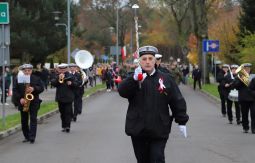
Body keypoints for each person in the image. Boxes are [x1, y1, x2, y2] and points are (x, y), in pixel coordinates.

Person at [118, 45, 189, 163]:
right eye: (144, 59)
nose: (147, 62)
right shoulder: (134, 77)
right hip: (138, 129)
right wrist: (134, 80)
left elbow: (177, 100)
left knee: (157, 158)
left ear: (155, 60)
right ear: (139, 61)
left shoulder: (166, 79)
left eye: (150, 58)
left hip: (159, 129)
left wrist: (182, 120)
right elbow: (122, 91)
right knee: (143, 160)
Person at [12, 64, 44, 143]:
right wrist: (20, 99)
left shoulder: (36, 78)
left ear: (31, 70)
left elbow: (41, 88)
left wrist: (34, 88)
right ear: (22, 71)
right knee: (24, 121)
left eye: (28, 70)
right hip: (23, 102)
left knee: (33, 119)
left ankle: (32, 137)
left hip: (34, 102)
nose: (27, 72)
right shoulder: (18, 79)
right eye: (25, 70)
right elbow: (15, 90)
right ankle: (27, 136)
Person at [50, 64, 75, 133]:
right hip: (60, 97)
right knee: (62, 113)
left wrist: (71, 83)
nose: (62, 70)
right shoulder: (56, 75)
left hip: (68, 97)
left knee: (68, 112)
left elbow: (76, 84)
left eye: (64, 69)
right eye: (61, 69)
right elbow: (53, 83)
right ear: (59, 69)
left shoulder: (70, 76)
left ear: (66, 69)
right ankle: (64, 126)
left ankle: (68, 126)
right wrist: (58, 79)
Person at [234, 63, 254, 133]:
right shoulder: (239, 77)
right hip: (243, 98)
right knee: (244, 114)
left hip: (253, 98)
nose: (247, 70)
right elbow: (236, 86)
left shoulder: (253, 76)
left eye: (248, 68)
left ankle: (253, 128)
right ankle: (245, 127)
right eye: (246, 68)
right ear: (243, 69)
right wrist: (241, 80)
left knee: (254, 114)